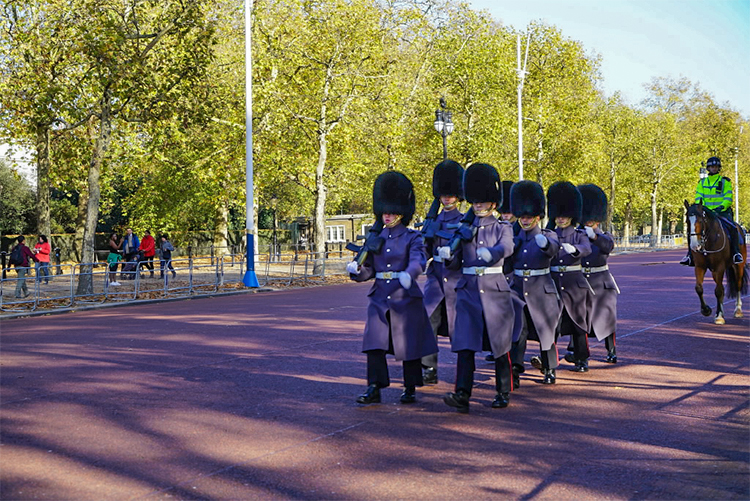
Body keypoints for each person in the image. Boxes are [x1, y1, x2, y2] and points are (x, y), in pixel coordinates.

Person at [347, 171, 438, 405]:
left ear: (400, 213)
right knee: (374, 343)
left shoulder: (411, 237)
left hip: (405, 297)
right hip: (379, 297)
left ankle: (409, 388)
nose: (386, 216)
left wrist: (410, 274)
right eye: (384, 212)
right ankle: (374, 387)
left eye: (390, 212)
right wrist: (357, 272)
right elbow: (370, 270)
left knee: (408, 345)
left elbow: (418, 258)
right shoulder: (375, 239)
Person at [439, 163, 515, 413]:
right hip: (469, 291)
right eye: (475, 201)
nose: (478, 205)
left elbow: (506, 249)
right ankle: (462, 393)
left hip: (494, 290)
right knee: (465, 344)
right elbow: (456, 261)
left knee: (500, 344)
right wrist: (448, 254)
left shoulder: (502, 227)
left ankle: (503, 390)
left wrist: (490, 253)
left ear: (493, 203)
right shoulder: (464, 229)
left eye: (483, 201)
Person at [508, 181, 562, 384]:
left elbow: (553, 248)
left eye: (529, 217)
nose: (525, 220)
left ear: (537, 217)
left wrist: (545, 244)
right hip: (518, 289)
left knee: (545, 330)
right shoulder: (513, 236)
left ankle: (549, 368)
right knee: (517, 330)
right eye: (522, 217)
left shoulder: (548, 234)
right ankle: (515, 368)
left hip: (541, 288)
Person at [421, 159, 465, 385]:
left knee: (460, 329)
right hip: (436, 277)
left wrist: (455, 256)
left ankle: (464, 371)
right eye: (443, 194)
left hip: (456, 279)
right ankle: (428, 367)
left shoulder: (464, 220)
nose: (446, 198)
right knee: (428, 319)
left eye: (451, 194)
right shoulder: (433, 219)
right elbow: (424, 250)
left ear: (458, 196)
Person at [546, 181, 593, 373]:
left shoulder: (579, 235)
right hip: (553, 283)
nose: (561, 219)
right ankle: (549, 365)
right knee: (551, 326)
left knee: (578, 325)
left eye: (565, 216)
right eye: (559, 215)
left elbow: (586, 248)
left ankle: (582, 358)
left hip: (574, 284)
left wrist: (575, 250)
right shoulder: (548, 234)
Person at [577, 184, 620, 364]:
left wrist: (594, 236)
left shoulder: (604, 235)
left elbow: (608, 246)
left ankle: (611, 350)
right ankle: (582, 357)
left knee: (607, 318)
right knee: (580, 321)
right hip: (581, 281)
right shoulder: (576, 235)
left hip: (601, 281)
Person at [680, 156, 743, 265]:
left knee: (733, 227)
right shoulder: (702, 182)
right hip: (706, 212)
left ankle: (735, 253)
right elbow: (699, 197)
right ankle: (690, 255)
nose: (713, 169)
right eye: (711, 167)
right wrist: (703, 208)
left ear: (718, 168)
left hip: (722, 212)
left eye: (715, 167)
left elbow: (728, 198)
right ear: (708, 168)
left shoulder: (725, 182)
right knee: (693, 229)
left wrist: (721, 207)